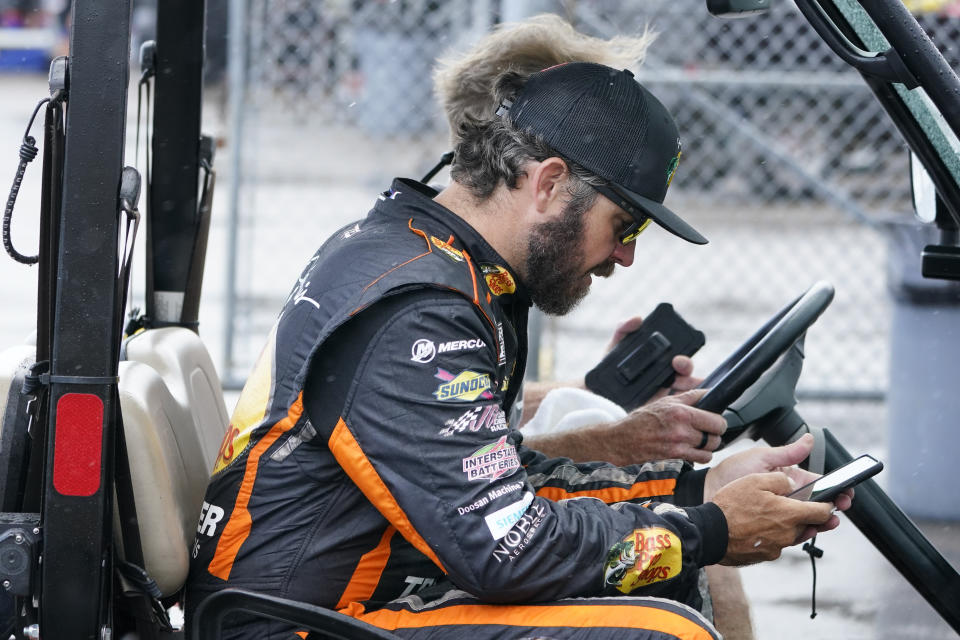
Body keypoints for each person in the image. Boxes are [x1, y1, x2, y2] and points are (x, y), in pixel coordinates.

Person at [186, 62, 850, 639]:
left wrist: (698, 488)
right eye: (626, 224)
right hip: (301, 623)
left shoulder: (440, 265)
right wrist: (709, 529)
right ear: (549, 183)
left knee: (670, 574)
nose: (627, 255)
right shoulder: (422, 313)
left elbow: (509, 488)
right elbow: (507, 548)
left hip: (361, 599)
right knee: (665, 631)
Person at [431, 14, 726, 468]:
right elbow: (471, 484)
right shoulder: (433, 298)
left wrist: (595, 392)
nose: (626, 255)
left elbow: (459, 408)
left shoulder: (462, 268)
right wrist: (622, 444)